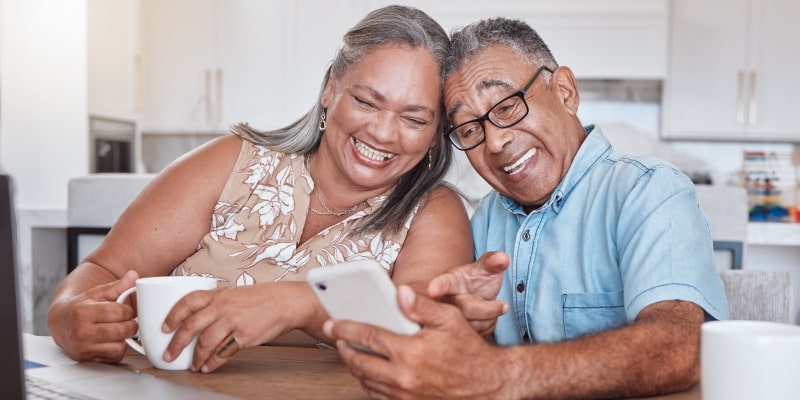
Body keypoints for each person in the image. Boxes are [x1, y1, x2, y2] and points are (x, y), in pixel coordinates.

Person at [47, 5, 473, 374]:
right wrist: (66, 316)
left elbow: (425, 333)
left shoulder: (433, 211)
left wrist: (298, 303)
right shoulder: (230, 161)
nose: (382, 132)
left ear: (436, 131)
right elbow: (103, 272)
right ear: (330, 90)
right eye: (366, 102)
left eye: (414, 119)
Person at [324, 17, 729, 399]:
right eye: (470, 129)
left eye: (507, 107)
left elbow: (683, 345)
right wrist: (467, 326)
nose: (495, 143)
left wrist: (497, 374)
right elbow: (459, 362)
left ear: (565, 92)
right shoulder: (484, 219)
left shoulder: (648, 190)